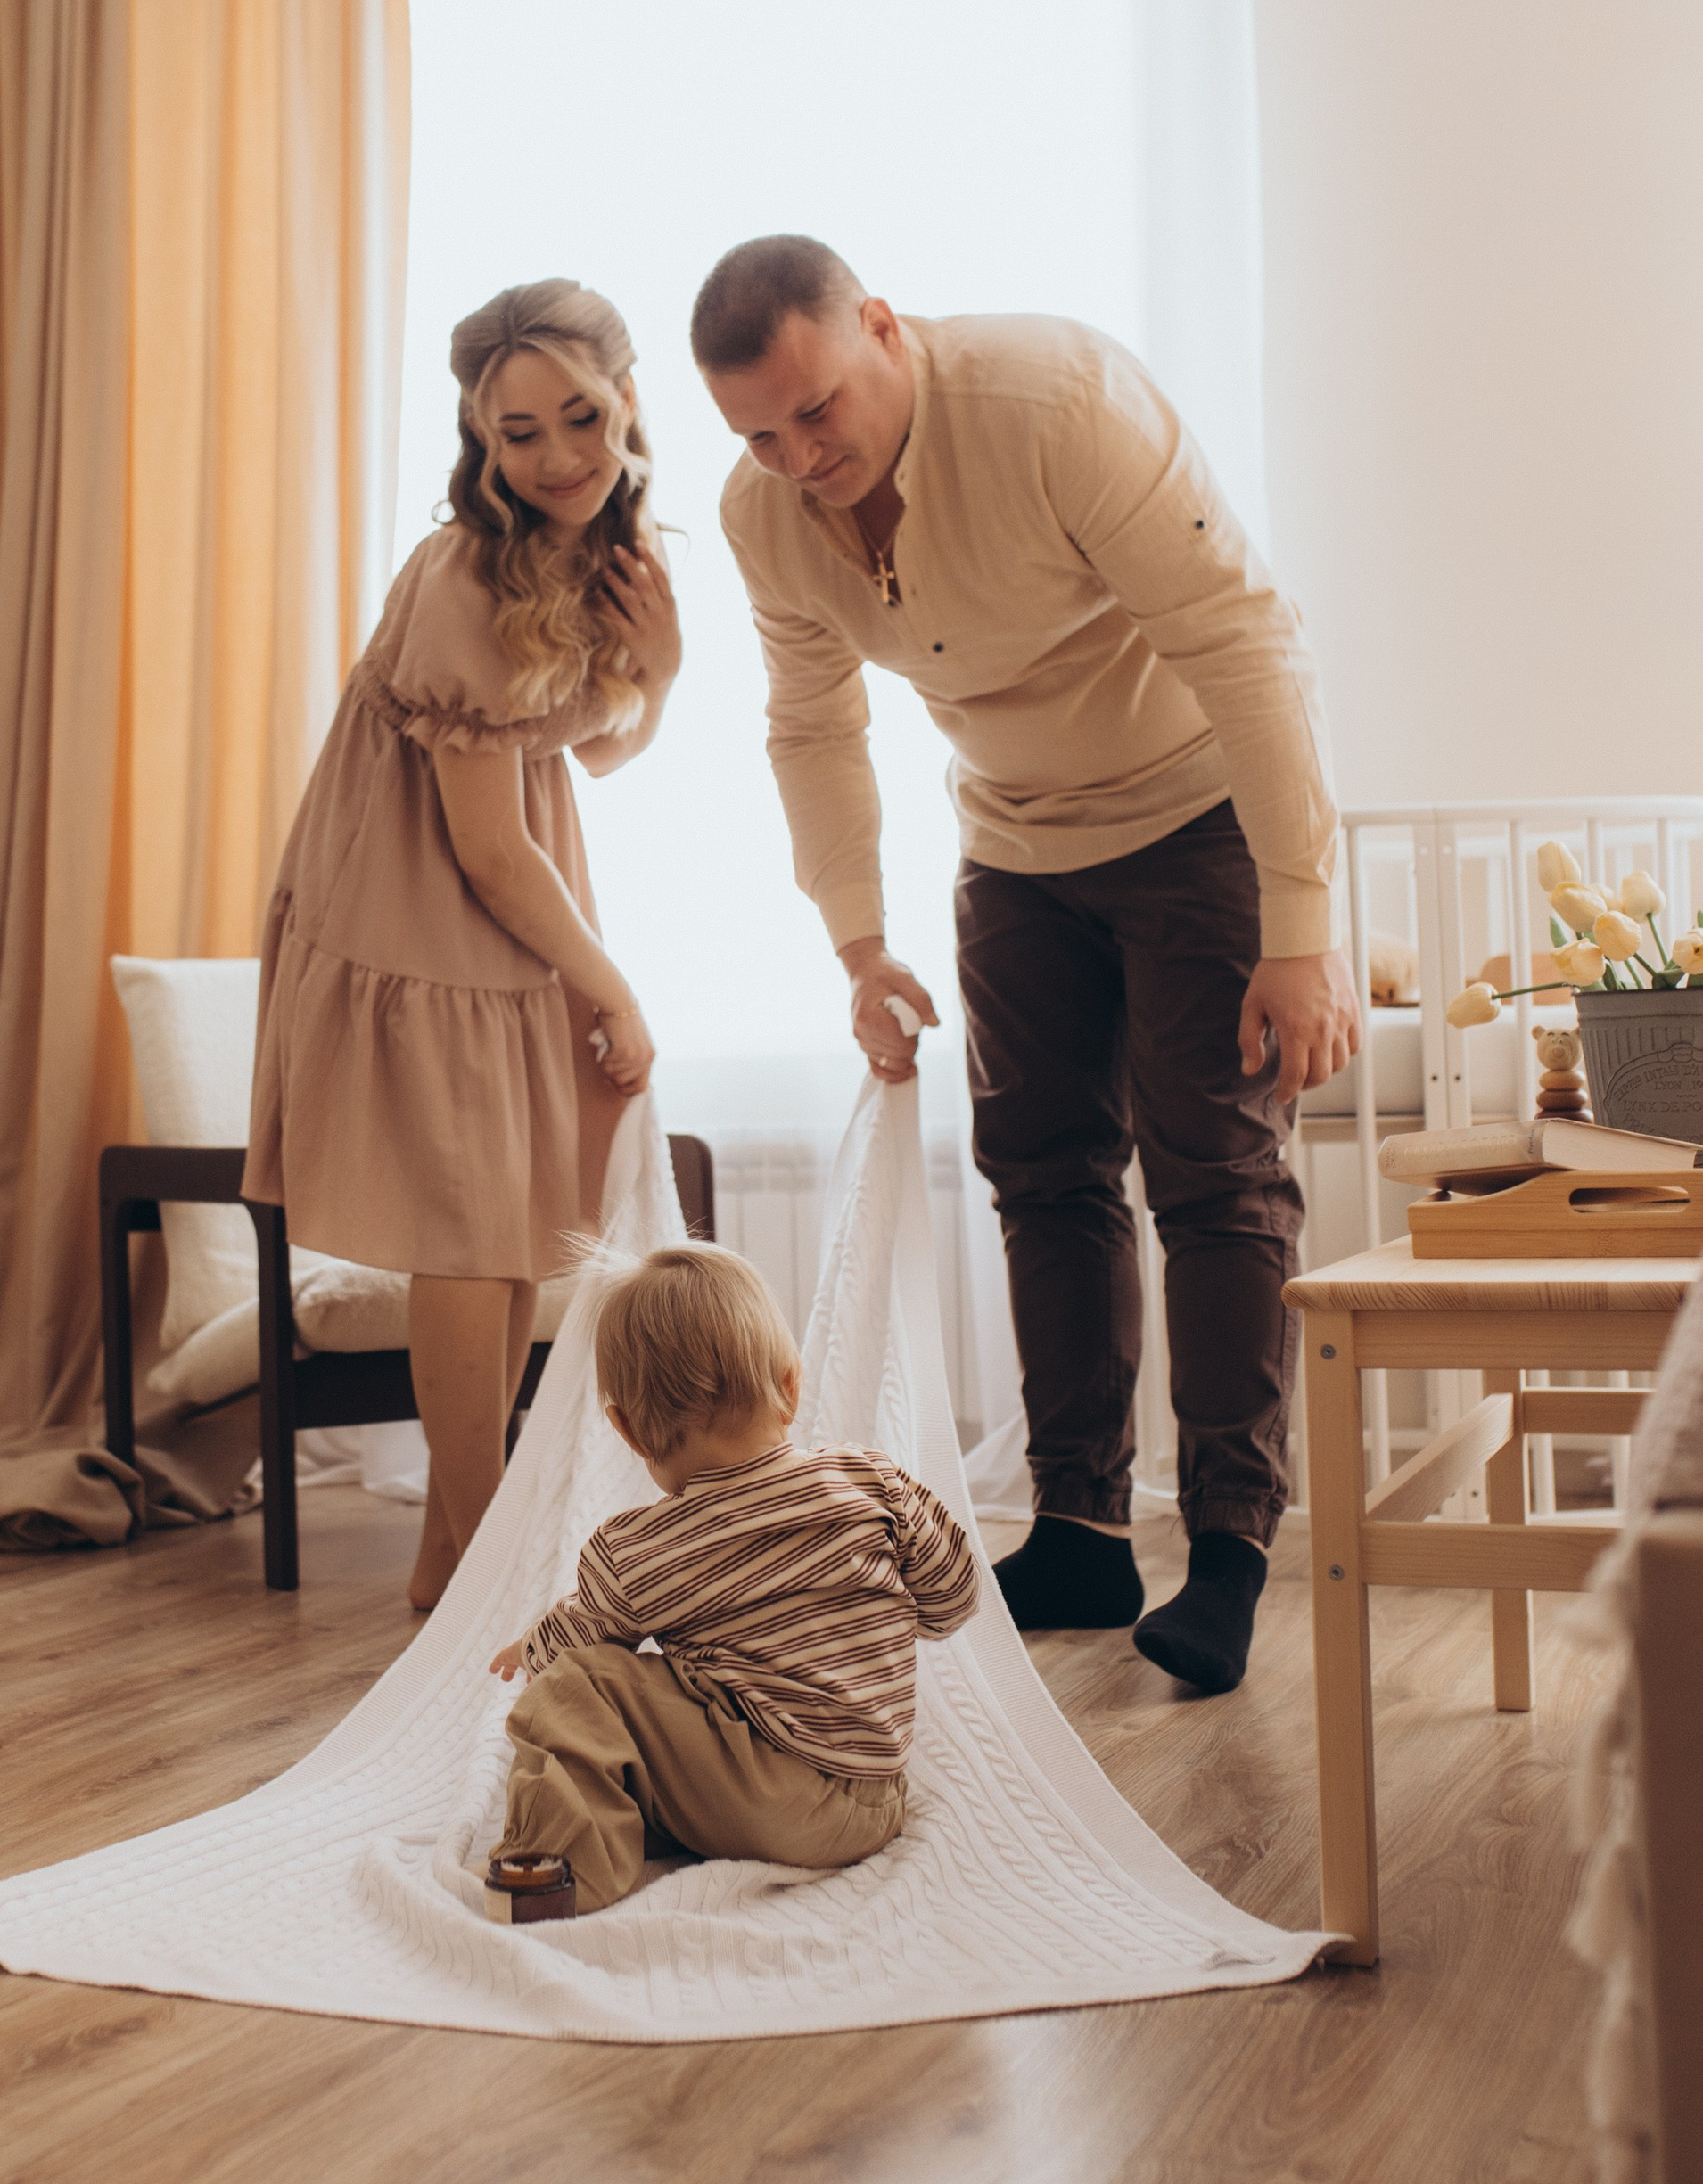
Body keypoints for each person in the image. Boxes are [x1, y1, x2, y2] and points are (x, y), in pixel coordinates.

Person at [692, 234, 1357, 1700]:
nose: (800, 453)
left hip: (1196, 821)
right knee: (1041, 1174)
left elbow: (1249, 646)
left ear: (878, 326)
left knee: (1217, 1174)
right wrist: (860, 949)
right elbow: (812, 724)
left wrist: (1301, 928)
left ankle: (1233, 1549)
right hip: (1013, 846)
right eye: (759, 431)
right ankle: (1079, 1533)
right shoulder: (765, 513)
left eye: (817, 410)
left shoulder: (1055, 403)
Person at [246, 280, 679, 1613]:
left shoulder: (593, 553)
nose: (554, 459)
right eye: (516, 434)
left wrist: (658, 669)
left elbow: (591, 754)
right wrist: (611, 983)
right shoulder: (466, 568)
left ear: (623, 404)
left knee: (501, 1231)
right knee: (468, 1229)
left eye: (580, 421)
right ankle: (491, 1573)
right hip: (416, 897)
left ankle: (453, 1573)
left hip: (504, 889)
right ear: (477, 439)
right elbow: (485, 846)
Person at [484, 1243, 978, 1921]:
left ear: (627, 1430)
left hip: (771, 1794)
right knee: (671, 1713)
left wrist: (531, 1648)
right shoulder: (873, 1483)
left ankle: (560, 1871)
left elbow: (584, 1636)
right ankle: (636, 1813)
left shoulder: (639, 1550)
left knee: (578, 1690)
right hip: (874, 1804)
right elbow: (954, 1600)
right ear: (790, 1383)